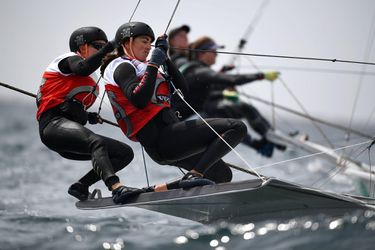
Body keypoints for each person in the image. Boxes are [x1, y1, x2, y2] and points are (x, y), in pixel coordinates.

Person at [101, 22, 247, 192]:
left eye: (151, 42)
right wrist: (154, 64)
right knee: (237, 127)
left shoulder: (146, 68)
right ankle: (194, 175)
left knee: (221, 175)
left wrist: (165, 59)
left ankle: (154, 190)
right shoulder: (121, 66)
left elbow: (183, 91)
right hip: (160, 139)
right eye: (144, 41)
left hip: (173, 139)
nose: (149, 47)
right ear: (127, 42)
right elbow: (138, 99)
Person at [36, 26, 140, 204]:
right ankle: (116, 188)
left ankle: (81, 186)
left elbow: (72, 109)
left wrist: (88, 117)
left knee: (124, 153)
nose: (102, 50)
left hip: (67, 130)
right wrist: (110, 47)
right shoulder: (67, 60)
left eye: (104, 46)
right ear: (83, 47)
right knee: (96, 143)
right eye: (97, 46)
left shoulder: (89, 81)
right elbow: (82, 67)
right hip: (52, 126)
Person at [172, 36, 284, 158]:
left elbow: (206, 89)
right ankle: (270, 136)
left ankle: (264, 143)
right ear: (202, 53)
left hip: (197, 116)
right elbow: (232, 80)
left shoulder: (197, 71)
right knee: (244, 109)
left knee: (231, 119)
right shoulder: (198, 71)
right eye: (214, 51)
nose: (217, 55)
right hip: (186, 124)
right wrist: (261, 76)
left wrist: (223, 90)